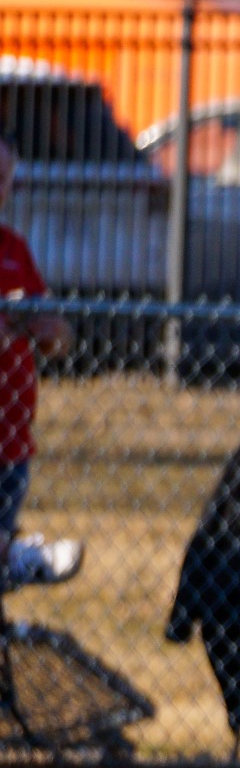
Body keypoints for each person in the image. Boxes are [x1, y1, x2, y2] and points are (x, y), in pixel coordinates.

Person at [0, 137, 82, 587]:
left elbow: (60, 335)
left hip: (12, 440)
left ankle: (15, 555)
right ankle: (21, 556)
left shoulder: (14, 248)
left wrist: (49, 331)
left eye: (3, 181)